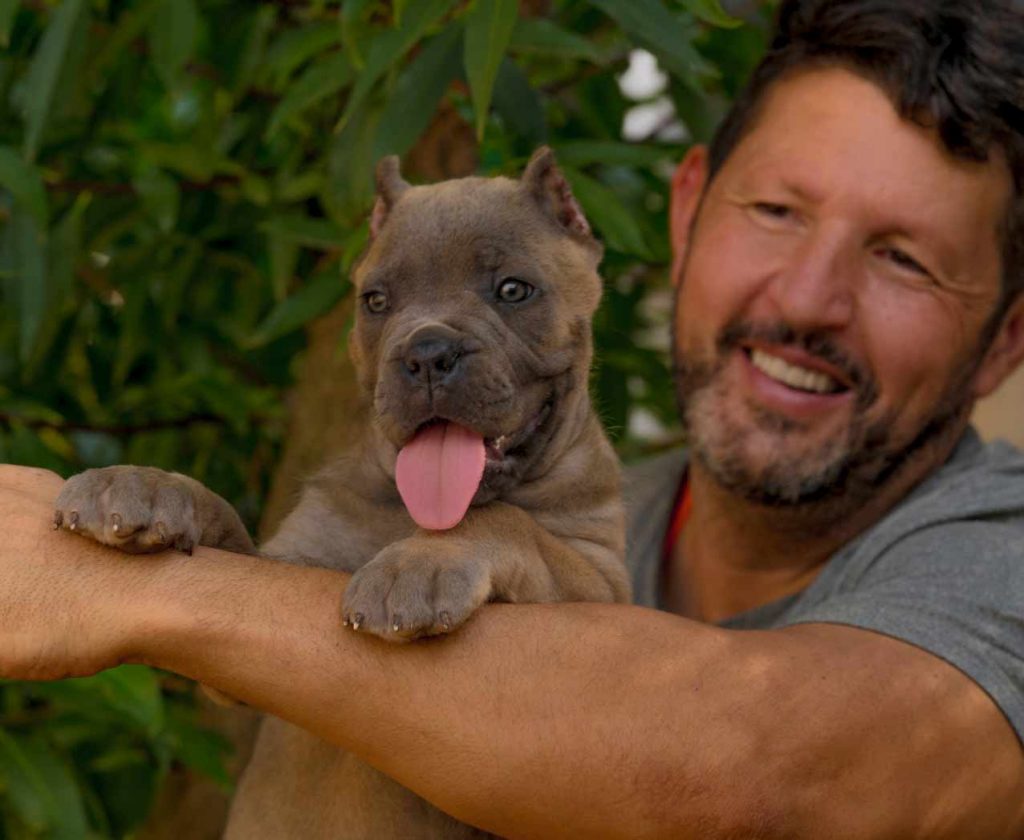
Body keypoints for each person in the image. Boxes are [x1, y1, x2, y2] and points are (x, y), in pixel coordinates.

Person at [2, 0, 1024, 835]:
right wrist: (176, 543)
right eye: (776, 212)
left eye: (903, 260)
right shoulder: (623, 499)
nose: (807, 299)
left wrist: (146, 602)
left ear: (1008, 339)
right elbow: (248, 671)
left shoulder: (997, 562)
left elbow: (751, 781)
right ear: (684, 210)